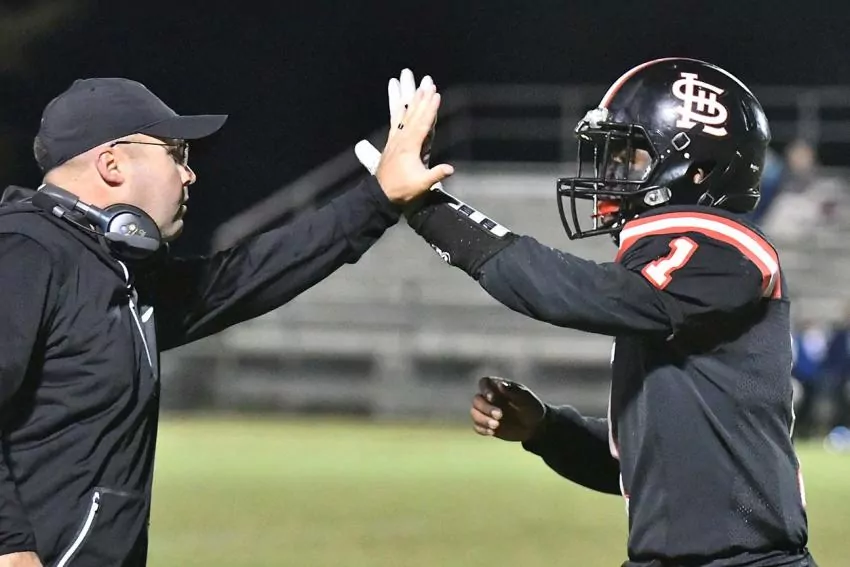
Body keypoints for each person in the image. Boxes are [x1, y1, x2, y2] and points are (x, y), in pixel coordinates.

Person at [362, 59, 815, 566]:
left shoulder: (729, 248)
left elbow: (581, 294)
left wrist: (426, 208)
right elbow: (644, 466)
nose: (610, 176)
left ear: (698, 170)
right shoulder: (672, 291)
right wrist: (546, 430)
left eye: (631, 157)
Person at [0, 77, 450, 567]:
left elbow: (248, 276)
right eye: (176, 154)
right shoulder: (25, 251)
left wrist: (380, 197)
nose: (189, 174)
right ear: (112, 164)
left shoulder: (110, 269)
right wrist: (9, 544)